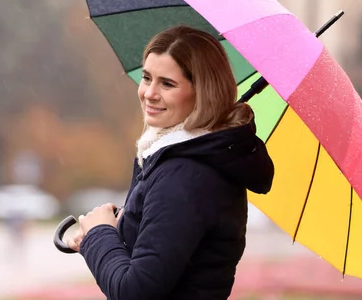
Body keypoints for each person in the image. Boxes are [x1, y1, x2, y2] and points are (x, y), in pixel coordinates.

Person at [66, 25, 275, 299]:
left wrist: (100, 234)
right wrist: (117, 231)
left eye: (167, 83)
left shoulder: (186, 176)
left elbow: (135, 292)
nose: (149, 93)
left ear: (203, 92)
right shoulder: (180, 158)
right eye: (146, 78)